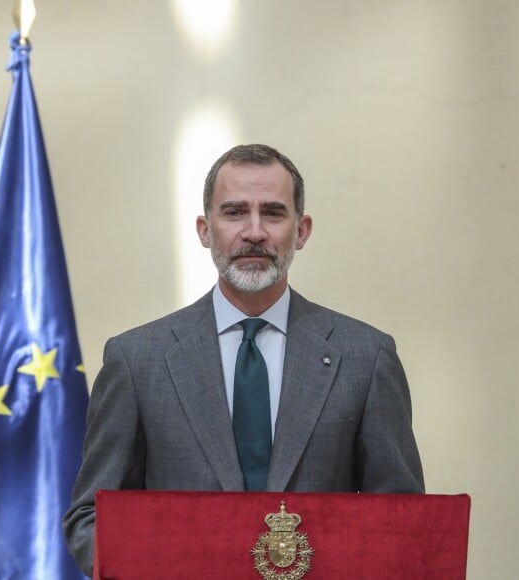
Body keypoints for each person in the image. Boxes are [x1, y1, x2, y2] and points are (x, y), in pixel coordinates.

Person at [63, 144, 424, 576]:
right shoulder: (137, 361)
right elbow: (90, 519)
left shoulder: (366, 357)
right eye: (234, 213)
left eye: (273, 213)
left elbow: (404, 523)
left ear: (302, 230)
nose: (254, 232)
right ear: (204, 230)